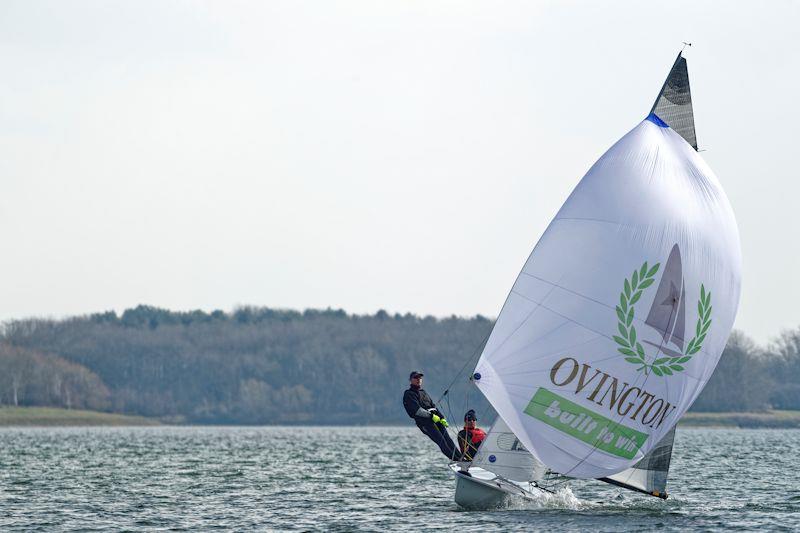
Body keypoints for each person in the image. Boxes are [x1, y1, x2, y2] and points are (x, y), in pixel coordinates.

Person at [402, 371, 458, 460]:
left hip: (435, 420)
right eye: (416, 378)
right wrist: (432, 416)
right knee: (442, 442)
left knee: (448, 440)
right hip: (425, 423)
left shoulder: (423, 392)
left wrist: (442, 417)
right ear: (410, 380)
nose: (418, 379)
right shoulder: (409, 394)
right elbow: (417, 411)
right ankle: (456, 460)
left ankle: (462, 458)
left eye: (420, 378)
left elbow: (433, 406)